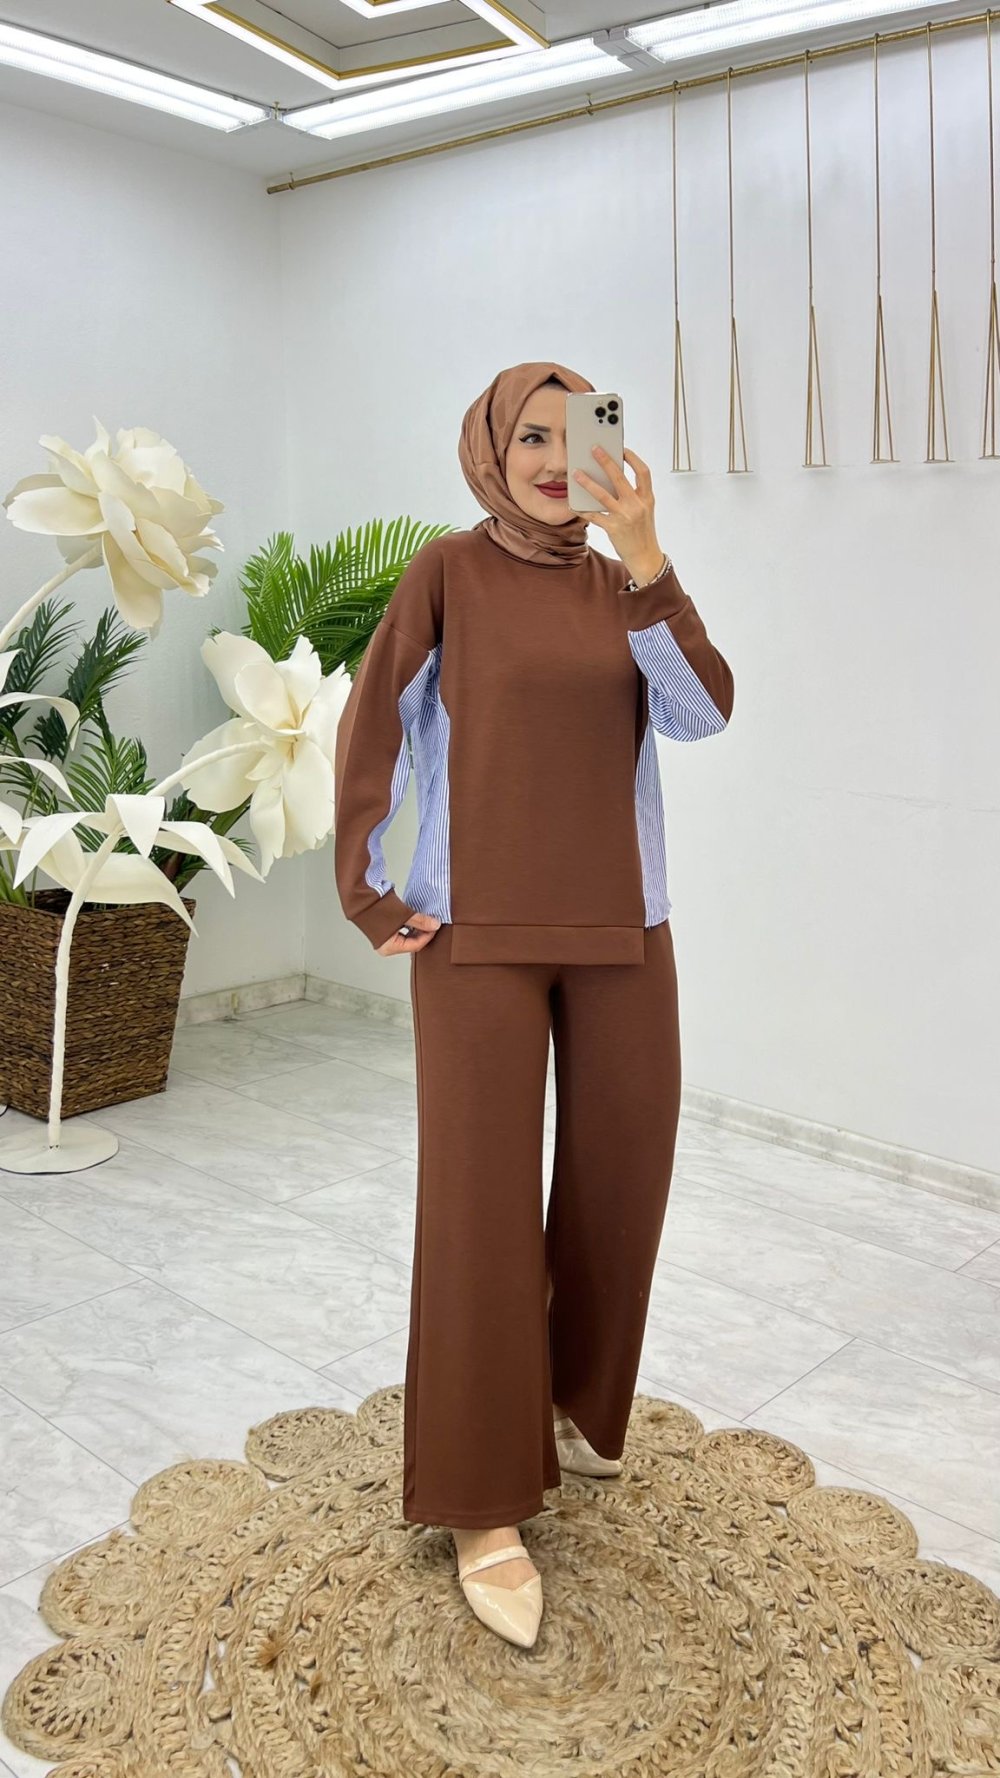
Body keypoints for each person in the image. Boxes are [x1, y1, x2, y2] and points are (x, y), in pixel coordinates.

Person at [333, 360, 734, 1648]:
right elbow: (375, 725)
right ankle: (482, 1502)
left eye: (582, 436)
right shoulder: (446, 575)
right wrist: (370, 890)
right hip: (479, 939)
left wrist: (649, 556)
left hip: (625, 927)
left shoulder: (625, 587)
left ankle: (564, 1402)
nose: (560, 462)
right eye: (534, 439)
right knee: (481, 1209)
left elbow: (704, 715)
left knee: (624, 1173)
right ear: (492, 453)